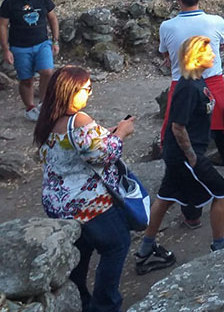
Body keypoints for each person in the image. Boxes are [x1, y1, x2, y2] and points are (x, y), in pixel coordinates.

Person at [35, 66, 135, 312]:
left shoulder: (47, 118)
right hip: (89, 203)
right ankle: (105, 305)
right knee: (116, 245)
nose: (90, 93)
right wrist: (121, 133)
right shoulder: (78, 119)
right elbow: (104, 155)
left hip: (57, 204)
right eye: (86, 89)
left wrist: (105, 134)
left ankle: (79, 300)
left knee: (79, 253)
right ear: (70, 91)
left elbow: (77, 148)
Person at [158, 0, 224, 227]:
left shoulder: (167, 26)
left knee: (186, 145)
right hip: (215, 85)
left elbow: (166, 54)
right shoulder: (216, 21)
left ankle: (191, 212)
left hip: (182, 85)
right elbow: (221, 45)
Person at [137, 36, 224, 272]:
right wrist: (192, 157)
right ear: (196, 57)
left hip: (180, 155)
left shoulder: (198, 81)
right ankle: (220, 248)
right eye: (208, 52)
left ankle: (145, 248)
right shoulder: (188, 87)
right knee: (223, 193)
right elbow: (177, 126)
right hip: (186, 156)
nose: (213, 55)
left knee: (166, 196)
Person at [0, 0, 59, 121]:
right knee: (26, 79)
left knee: (47, 72)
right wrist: (6, 49)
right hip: (20, 47)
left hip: (42, 43)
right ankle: (30, 108)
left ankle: (44, 104)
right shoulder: (9, 3)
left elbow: (53, 19)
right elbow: (3, 26)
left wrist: (55, 40)